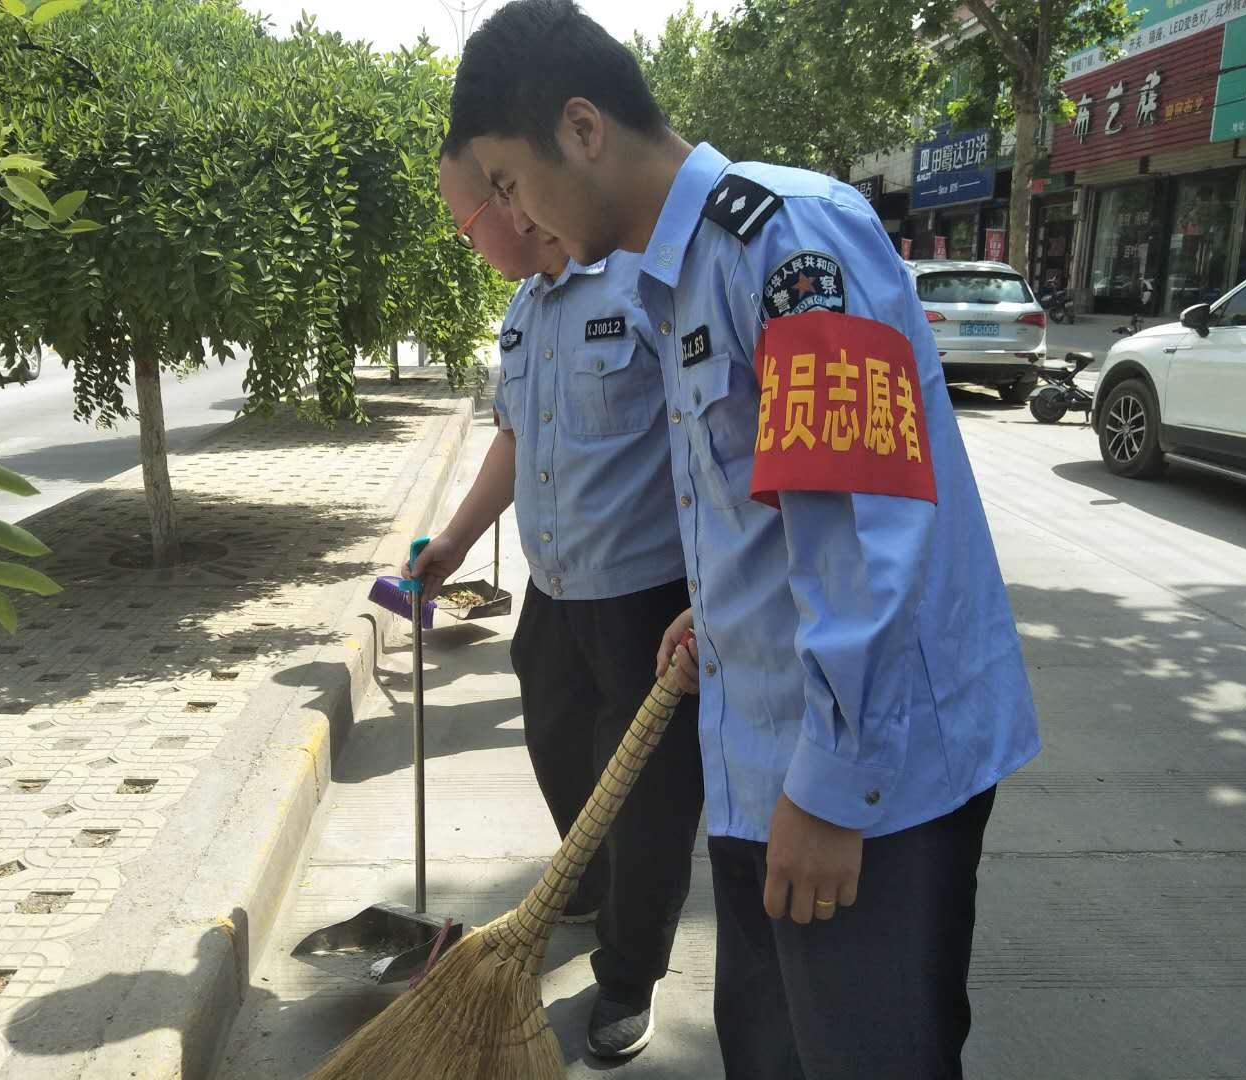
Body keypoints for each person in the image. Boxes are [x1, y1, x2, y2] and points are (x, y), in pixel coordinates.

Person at [447, 4, 1041, 1078]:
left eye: (502, 179)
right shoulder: (673, 277)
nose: (510, 213)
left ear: (581, 128)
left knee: (865, 1055)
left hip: (865, 777)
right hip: (762, 755)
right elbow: (775, 510)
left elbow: (867, 519)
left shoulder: (785, 239)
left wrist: (832, 784)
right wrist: (715, 609)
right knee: (770, 1052)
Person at [411, 142, 704, 1058]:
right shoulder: (523, 310)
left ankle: (628, 973)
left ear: (515, 199)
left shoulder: (642, 288)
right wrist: (454, 540)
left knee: (648, 799)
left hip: (647, 599)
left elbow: (706, 438)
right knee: (558, 749)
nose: (473, 239)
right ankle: (586, 882)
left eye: (471, 220)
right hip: (555, 595)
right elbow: (509, 438)